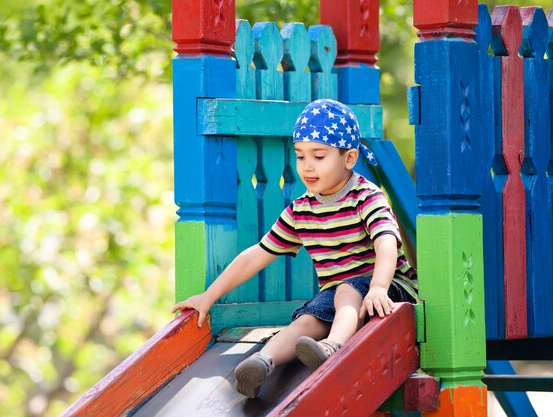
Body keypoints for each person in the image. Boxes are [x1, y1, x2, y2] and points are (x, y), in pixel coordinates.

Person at [172, 98, 418, 399]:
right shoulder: (302, 210)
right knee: (309, 318)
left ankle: (333, 347)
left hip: (390, 290)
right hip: (341, 298)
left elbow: (386, 244)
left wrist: (378, 287)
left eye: (319, 156)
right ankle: (263, 361)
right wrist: (209, 296)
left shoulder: (366, 196)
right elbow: (255, 255)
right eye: (300, 156)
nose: (307, 166)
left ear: (349, 158)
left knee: (344, 291)